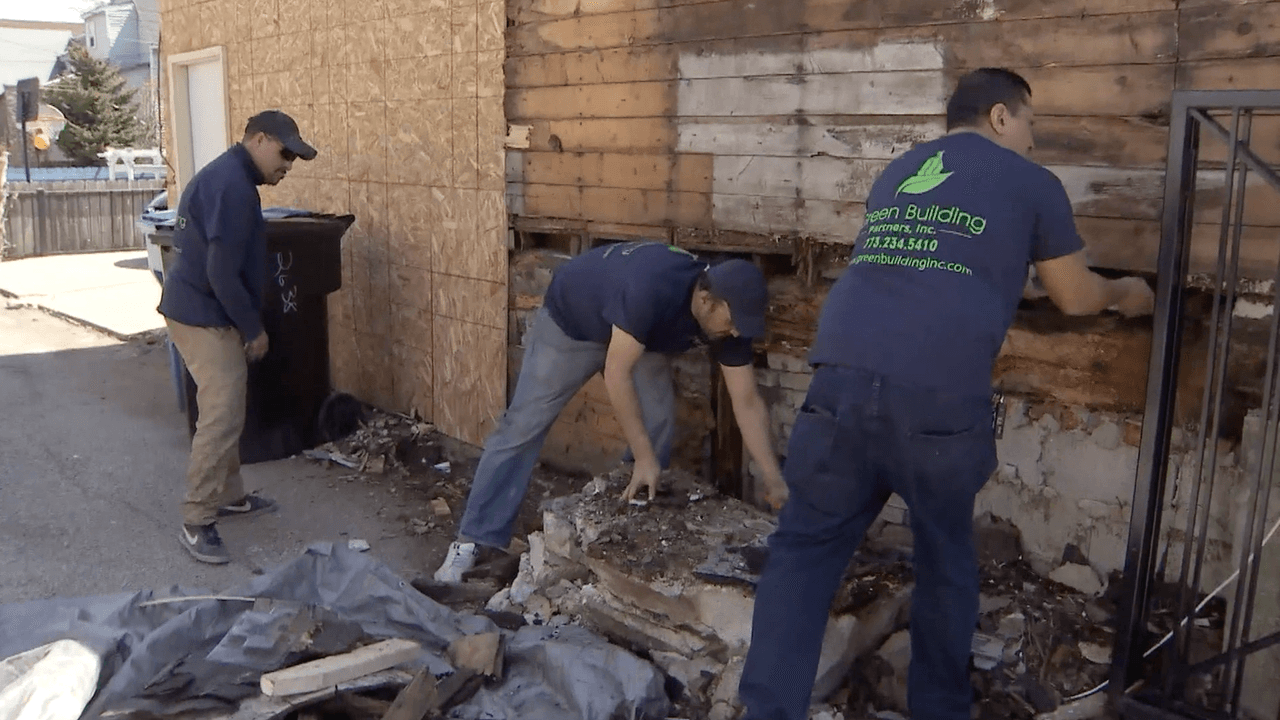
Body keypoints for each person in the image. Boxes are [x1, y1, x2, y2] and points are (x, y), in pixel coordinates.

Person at [737, 68, 1155, 720]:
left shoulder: (900, 171)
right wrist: (1127, 292)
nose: (1033, 140)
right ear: (1000, 117)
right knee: (944, 559)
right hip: (935, 398)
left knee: (803, 553)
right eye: (1031, 124)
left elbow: (926, 260)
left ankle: (766, 710)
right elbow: (1075, 297)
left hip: (840, 378)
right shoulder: (1032, 183)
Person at [433, 241, 789, 583]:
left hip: (638, 335)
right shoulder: (652, 287)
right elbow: (618, 374)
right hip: (574, 321)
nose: (737, 331)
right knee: (524, 424)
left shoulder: (732, 321)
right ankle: (474, 539)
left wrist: (773, 478)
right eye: (732, 321)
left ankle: (625, 515)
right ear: (706, 300)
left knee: (658, 419)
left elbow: (746, 402)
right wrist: (646, 457)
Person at [159, 110, 317, 564]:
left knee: (226, 406)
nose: (288, 165)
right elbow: (221, 274)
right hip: (203, 315)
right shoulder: (232, 187)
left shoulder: (229, 177)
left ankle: (228, 496)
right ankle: (197, 518)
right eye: (284, 153)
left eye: (295, 158)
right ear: (259, 140)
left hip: (197, 308)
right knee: (222, 413)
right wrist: (253, 329)